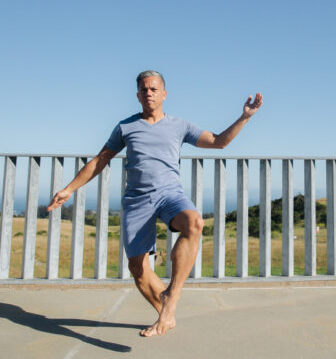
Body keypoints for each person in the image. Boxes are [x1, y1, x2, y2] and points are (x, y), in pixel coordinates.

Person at [47, 70, 263, 336]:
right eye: (144, 89)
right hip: (137, 201)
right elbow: (100, 160)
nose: (149, 93)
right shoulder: (125, 126)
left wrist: (244, 117)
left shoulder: (179, 125)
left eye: (154, 89)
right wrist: (69, 189)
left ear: (164, 94)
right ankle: (165, 313)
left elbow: (219, 142)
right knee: (137, 269)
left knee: (194, 222)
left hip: (170, 195)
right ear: (138, 95)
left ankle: (172, 297)